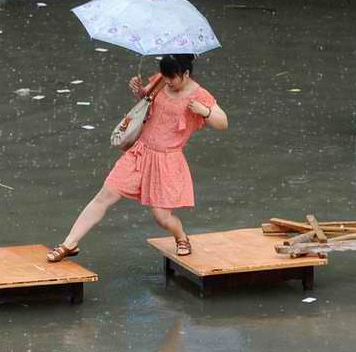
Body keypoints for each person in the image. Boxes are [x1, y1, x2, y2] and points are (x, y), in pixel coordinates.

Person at [47, 54, 229, 262]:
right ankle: (69, 243)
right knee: (105, 195)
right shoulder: (160, 81)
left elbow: (223, 123)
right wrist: (141, 91)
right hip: (140, 153)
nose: (167, 81)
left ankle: (181, 236)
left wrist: (203, 111)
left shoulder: (199, 95)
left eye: (172, 77)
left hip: (166, 161)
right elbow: (148, 104)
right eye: (165, 76)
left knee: (162, 217)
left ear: (186, 73)